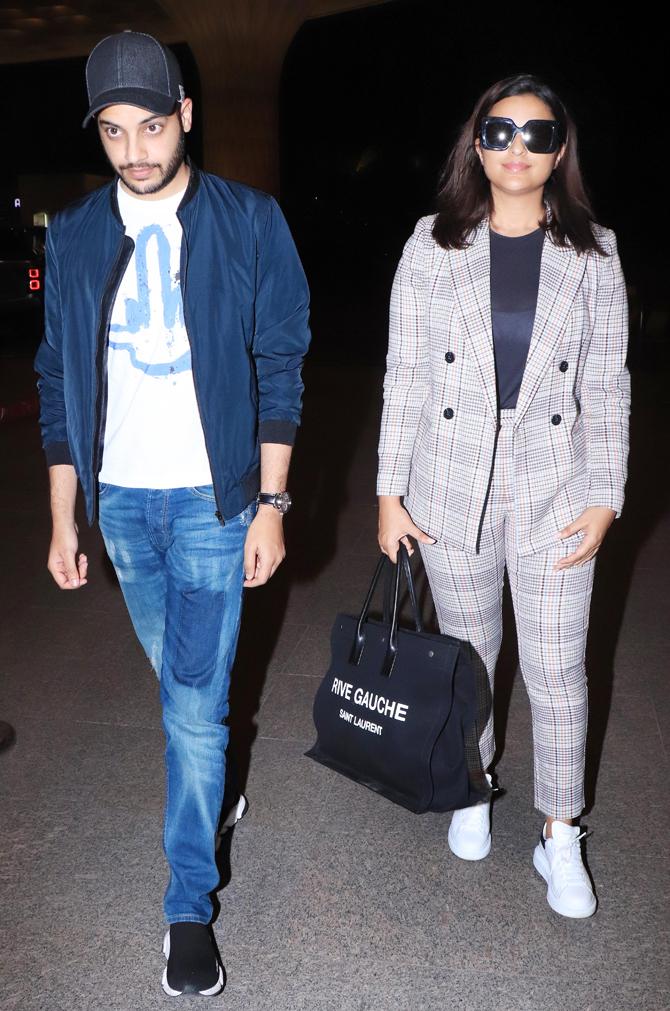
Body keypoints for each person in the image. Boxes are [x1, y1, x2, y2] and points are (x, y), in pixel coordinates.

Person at [34, 31, 311, 996]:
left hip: (212, 497)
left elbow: (281, 363)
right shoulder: (71, 236)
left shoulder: (248, 221)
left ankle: (187, 905)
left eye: (152, 125)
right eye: (114, 131)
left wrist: (271, 502)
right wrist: (65, 516)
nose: (135, 150)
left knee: (192, 709)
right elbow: (56, 380)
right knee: (185, 685)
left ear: (186, 114)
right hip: (120, 505)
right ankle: (215, 776)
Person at [377, 72, 630, 919]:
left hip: (556, 477)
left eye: (536, 132)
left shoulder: (595, 250)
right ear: (475, 142)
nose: (516, 148)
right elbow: (405, 375)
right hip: (450, 479)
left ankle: (560, 830)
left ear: (560, 149)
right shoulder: (430, 243)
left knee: (558, 668)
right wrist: (388, 491)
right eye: (499, 130)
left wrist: (607, 494)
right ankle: (475, 784)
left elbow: (609, 381)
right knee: (470, 657)